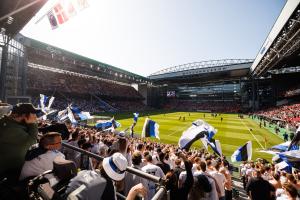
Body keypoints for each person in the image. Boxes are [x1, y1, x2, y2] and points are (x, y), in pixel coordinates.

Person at [0, 103, 40, 182]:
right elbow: (32, 141)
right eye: (33, 114)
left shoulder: (8, 123)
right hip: (6, 172)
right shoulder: (11, 129)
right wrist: (33, 124)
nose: (35, 117)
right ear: (24, 115)